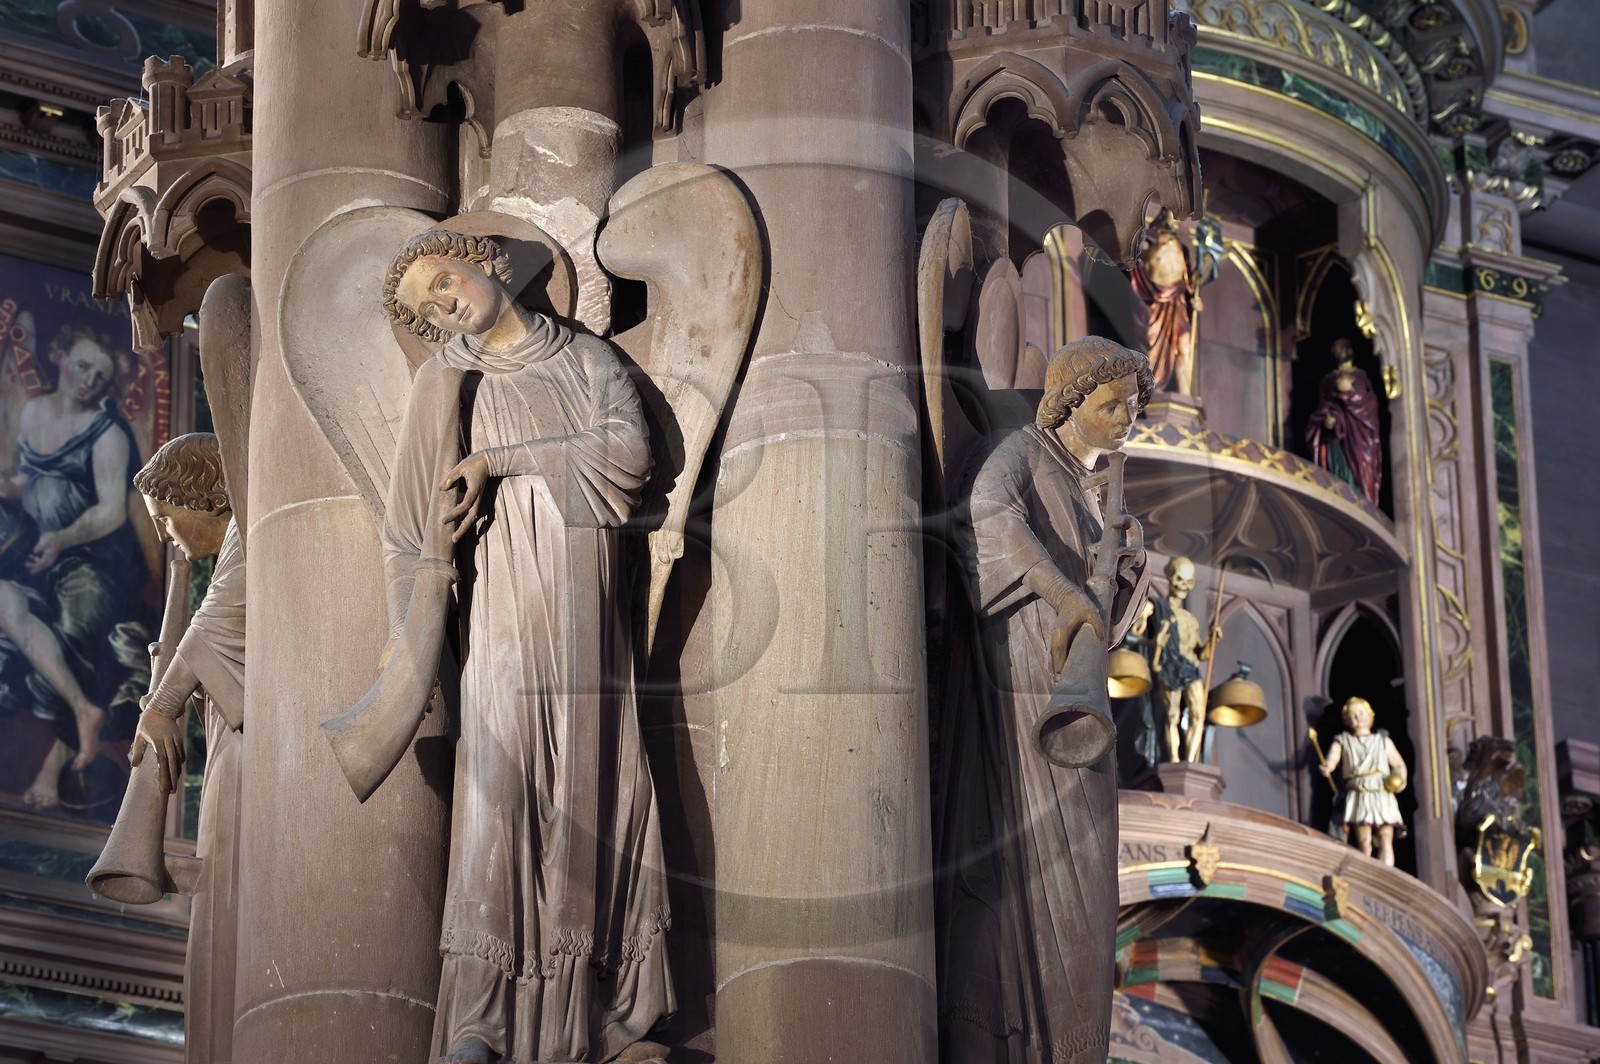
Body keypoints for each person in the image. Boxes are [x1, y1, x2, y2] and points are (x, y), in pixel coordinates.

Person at [381, 229, 671, 1064]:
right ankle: (481, 1018)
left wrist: (499, 460)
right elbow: (406, 533)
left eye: (445, 280)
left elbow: (629, 454)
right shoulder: (446, 387)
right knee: (499, 792)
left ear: (487, 263)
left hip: (584, 600)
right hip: (501, 604)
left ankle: (598, 1012)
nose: (444, 303)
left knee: (592, 776)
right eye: (428, 307)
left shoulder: (586, 361)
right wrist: (421, 639)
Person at [937, 336, 1153, 1064]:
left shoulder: (1099, 497)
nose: (1125, 416)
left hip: (1075, 698)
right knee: (1015, 864)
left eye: (1132, 404)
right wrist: (1066, 594)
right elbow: (983, 515)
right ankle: (999, 1031)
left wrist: (1124, 567)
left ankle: (1061, 1042)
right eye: (1109, 403)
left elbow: (1107, 620)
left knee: (1081, 886)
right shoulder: (1025, 455)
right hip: (1022, 678)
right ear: (1067, 405)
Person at [127, 431, 244, 1064]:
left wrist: (162, 704)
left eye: (168, 520)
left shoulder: (251, 532)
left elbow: (212, 627)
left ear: (199, 496)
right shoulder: (229, 547)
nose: (170, 537)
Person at [0, 330, 146, 808]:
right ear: (60, 356)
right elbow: (31, 478)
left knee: (75, 624)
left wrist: (61, 539)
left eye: (100, 376)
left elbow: (111, 511)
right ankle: (79, 710)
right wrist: (9, 488)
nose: (90, 380)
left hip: (92, 558)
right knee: (7, 607)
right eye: (83, 366)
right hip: (31, 549)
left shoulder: (107, 432)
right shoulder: (34, 412)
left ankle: (58, 761)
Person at [1131, 556, 1220, 763]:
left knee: (1199, 713)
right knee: (1172, 716)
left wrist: (1213, 640)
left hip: (1190, 668)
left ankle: (1189, 762)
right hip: (1169, 667)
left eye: (1189, 582)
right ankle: (1173, 761)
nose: (1184, 586)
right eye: (1180, 579)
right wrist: (1154, 642)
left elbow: (1202, 655)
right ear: (1170, 578)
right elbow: (1134, 636)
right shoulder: (1155, 607)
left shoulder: (1190, 619)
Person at [1319, 696, 1407, 866]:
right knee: (1364, 842)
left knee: (1385, 838)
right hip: (1359, 794)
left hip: (1382, 792)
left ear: (1370, 715)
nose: (1357, 718)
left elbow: (1398, 764)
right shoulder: (1343, 741)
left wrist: (1400, 780)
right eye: (1352, 716)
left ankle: (1386, 873)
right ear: (1346, 720)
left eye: (1361, 713)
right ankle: (1367, 874)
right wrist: (1328, 766)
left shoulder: (1383, 742)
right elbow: (1332, 758)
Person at [1129, 209, 1200, 395]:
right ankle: (1150, 391)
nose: (1178, 220)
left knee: (1184, 346)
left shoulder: (1181, 248)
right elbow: (1137, 267)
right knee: (1152, 348)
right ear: (1164, 214)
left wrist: (1196, 300)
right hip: (1153, 302)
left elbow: (1189, 281)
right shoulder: (1148, 239)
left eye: (1180, 218)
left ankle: (1185, 396)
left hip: (1177, 304)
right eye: (1174, 214)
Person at [1306, 338, 1383, 507]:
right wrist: (1327, 421)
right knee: (1340, 477)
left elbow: (1370, 405)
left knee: (1362, 474)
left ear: (1350, 352)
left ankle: (1363, 505)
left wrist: (1351, 392)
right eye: (1336, 349)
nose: (1339, 352)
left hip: (1360, 440)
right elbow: (1322, 410)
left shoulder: (1361, 376)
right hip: (1337, 442)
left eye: (1342, 349)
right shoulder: (1327, 381)